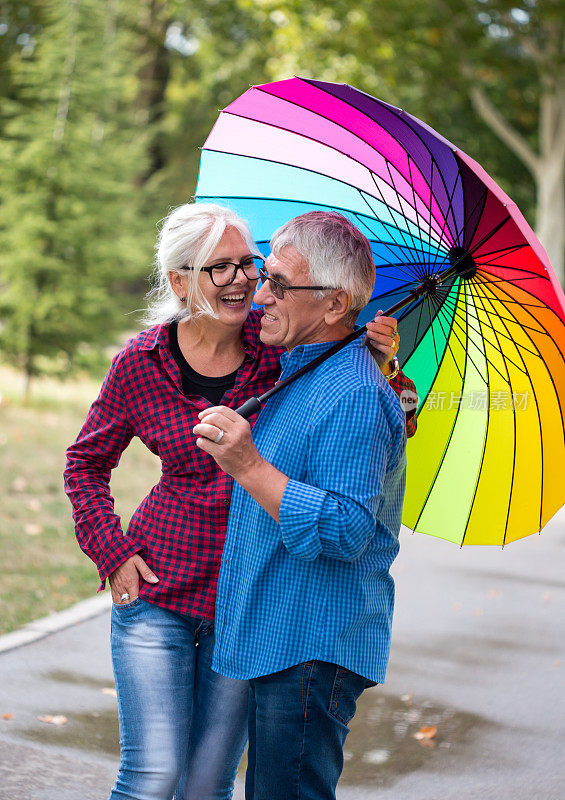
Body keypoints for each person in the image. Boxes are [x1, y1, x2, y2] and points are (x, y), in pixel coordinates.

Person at [64, 203, 412, 800]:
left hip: (247, 606)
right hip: (163, 589)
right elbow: (85, 463)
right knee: (153, 776)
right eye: (217, 268)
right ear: (180, 282)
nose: (244, 283)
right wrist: (111, 551)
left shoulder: (288, 343)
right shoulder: (140, 364)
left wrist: (384, 366)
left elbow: (370, 427)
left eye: (248, 266)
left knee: (208, 785)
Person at [194, 210, 407, 800]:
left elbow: (346, 529)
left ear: (336, 305)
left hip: (311, 644)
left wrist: (248, 466)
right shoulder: (304, 371)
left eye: (280, 285)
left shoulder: (355, 395)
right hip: (283, 636)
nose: (261, 296)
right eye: (266, 277)